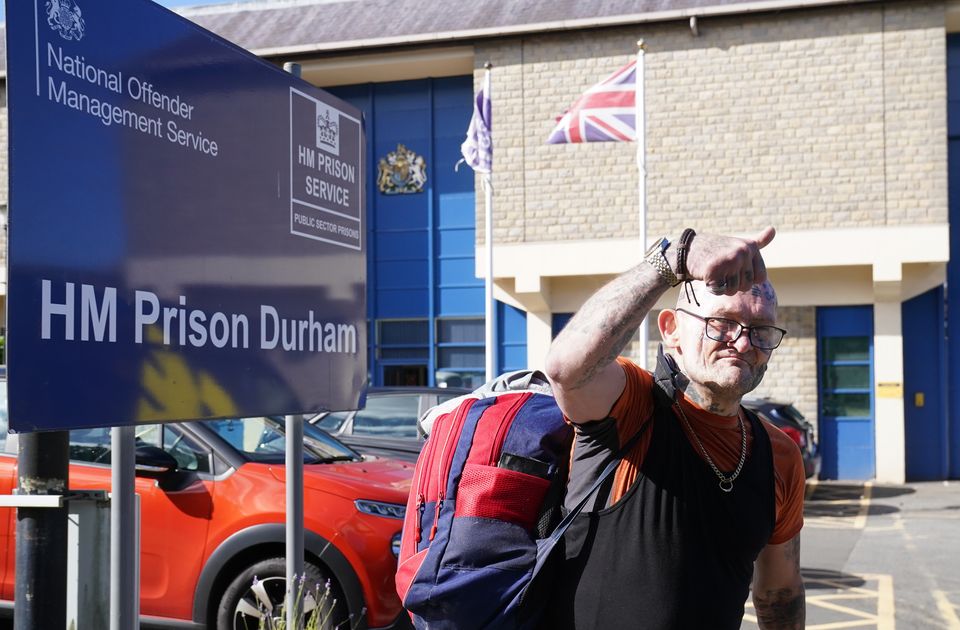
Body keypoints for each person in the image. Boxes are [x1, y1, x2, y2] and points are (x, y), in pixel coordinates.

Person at [543, 227, 806, 629]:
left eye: (761, 331)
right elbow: (565, 369)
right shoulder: (630, 402)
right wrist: (672, 259)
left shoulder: (778, 454)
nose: (742, 342)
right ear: (671, 330)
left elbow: (779, 591)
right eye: (722, 323)